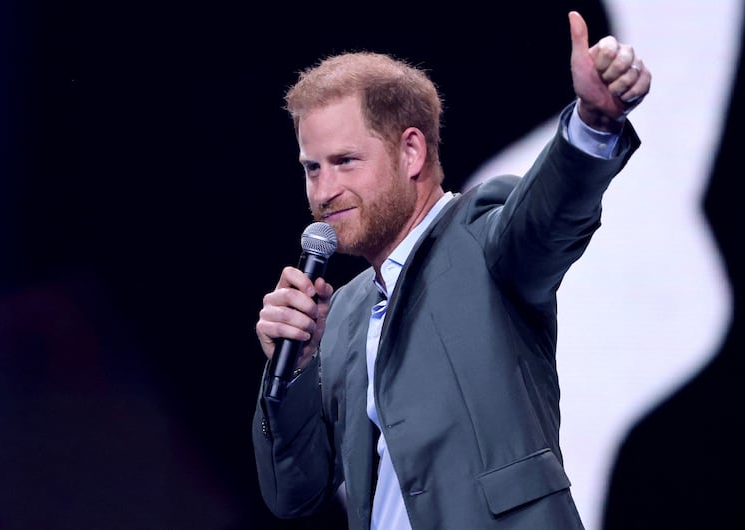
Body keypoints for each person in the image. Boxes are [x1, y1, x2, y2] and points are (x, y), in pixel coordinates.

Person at [252, 10, 651, 530]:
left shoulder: (481, 231)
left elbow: (546, 217)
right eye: (312, 168)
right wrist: (298, 367)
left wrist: (593, 124)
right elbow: (293, 493)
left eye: (345, 161)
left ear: (411, 151)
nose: (324, 192)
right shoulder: (343, 310)